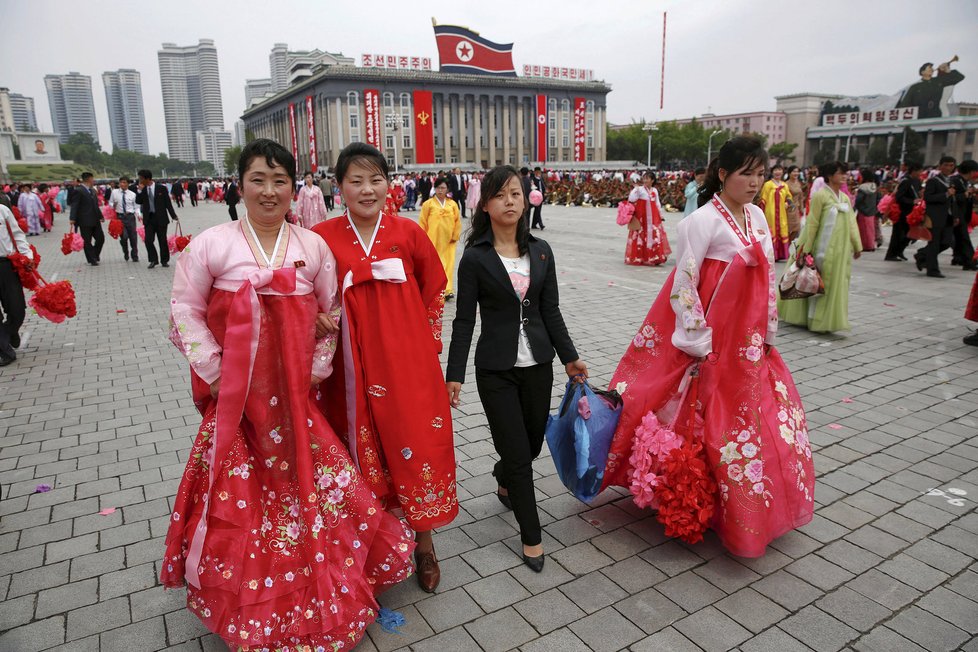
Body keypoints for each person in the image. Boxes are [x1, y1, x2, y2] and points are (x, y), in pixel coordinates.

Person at [163, 138, 415, 650]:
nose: (270, 191)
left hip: (295, 401)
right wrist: (216, 373)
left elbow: (330, 314)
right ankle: (248, 597)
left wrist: (315, 369)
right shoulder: (211, 245)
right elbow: (183, 311)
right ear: (240, 186)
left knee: (312, 485)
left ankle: (321, 582)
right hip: (237, 403)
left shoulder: (310, 247)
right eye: (258, 179)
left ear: (293, 187)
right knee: (243, 494)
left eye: (280, 180)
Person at [602, 136, 814, 558]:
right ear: (723, 174)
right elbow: (684, 284)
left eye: (760, 173)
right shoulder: (700, 221)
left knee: (752, 416)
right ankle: (697, 498)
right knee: (707, 416)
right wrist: (698, 340)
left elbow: (767, 278)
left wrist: (768, 331)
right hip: (714, 339)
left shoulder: (756, 216)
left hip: (749, 341)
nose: (755, 182)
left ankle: (747, 508)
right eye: (746, 173)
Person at [312, 143, 458, 594]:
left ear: (388, 185)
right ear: (339, 188)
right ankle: (368, 549)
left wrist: (428, 346)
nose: (366, 189)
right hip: (348, 370)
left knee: (415, 443)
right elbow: (306, 293)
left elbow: (434, 290)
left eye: (375, 179)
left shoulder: (408, 233)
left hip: (406, 363)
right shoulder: (321, 237)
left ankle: (425, 544)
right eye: (355, 180)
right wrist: (315, 317)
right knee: (356, 449)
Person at [446, 165, 588, 572]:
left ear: (525, 200)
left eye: (515, 193)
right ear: (485, 204)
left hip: (538, 365)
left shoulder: (541, 250)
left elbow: (550, 310)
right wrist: (454, 373)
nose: (509, 201)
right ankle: (532, 537)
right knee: (521, 458)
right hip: (495, 370)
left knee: (528, 445)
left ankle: (502, 472)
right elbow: (464, 321)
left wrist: (570, 356)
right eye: (500, 195)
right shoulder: (474, 258)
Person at [779, 161, 862, 332]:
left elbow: (852, 223)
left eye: (845, 173)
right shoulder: (821, 196)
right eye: (840, 173)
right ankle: (813, 319)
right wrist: (807, 248)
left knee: (832, 285)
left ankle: (825, 319)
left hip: (839, 250)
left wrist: (857, 245)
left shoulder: (845, 198)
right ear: (830, 175)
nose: (844, 176)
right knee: (817, 283)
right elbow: (812, 223)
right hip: (821, 249)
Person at [0, 203, 33, 367]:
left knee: (17, 309)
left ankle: (10, 330)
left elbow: (17, 235)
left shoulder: (2, 210)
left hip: (5, 265)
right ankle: (5, 351)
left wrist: (27, 256)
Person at [419, 176, 462, 300]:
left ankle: (448, 289)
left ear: (447, 189)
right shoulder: (428, 204)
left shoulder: (452, 204)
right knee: (435, 265)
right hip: (432, 239)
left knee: (448, 264)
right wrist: (423, 238)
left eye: (443, 188)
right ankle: (436, 289)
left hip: (448, 241)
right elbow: (422, 222)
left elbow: (457, 221)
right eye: (438, 188)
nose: (440, 190)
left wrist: (455, 235)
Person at [915, 156, 957, 278]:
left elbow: (952, 200)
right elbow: (928, 197)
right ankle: (932, 269)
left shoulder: (951, 181)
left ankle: (922, 255)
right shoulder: (933, 181)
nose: (949, 168)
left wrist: (955, 215)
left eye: (951, 165)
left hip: (948, 217)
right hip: (935, 217)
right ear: (940, 166)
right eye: (946, 165)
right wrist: (945, 194)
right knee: (934, 243)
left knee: (947, 242)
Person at [135, 169, 179, 269]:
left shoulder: (161, 188)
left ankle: (164, 260)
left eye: (141, 178)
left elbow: (168, 203)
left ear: (147, 178)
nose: (140, 180)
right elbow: (138, 201)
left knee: (162, 240)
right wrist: (139, 190)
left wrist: (174, 216)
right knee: (148, 240)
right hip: (149, 219)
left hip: (161, 218)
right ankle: (153, 260)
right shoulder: (143, 189)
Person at [625, 171, 671, 266]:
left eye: (647, 178)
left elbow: (657, 203)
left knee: (654, 235)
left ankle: (655, 256)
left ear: (652, 180)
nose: (645, 180)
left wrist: (660, 215)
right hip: (642, 217)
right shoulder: (640, 189)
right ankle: (639, 257)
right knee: (640, 235)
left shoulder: (654, 190)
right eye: (644, 178)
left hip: (653, 217)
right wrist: (635, 190)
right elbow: (631, 199)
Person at [884, 161, 923, 262]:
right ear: (913, 171)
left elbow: (918, 193)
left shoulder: (917, 181)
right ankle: (891, 254)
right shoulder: (905, 181)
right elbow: (899, 197)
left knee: (911, 234)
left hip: (913, 212)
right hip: (902, 212)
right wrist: (912, 201)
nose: (920, 174)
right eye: (919, 171)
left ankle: (899, 251)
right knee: (898, 234)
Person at [69, 172, 105, 266]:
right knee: (87, 241)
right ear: (89, 179)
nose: (94, 181)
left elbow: (95, 205)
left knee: (100, 238)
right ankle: (92, 259)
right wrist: (72, 218)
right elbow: (74, 205)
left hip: (95, 219)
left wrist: (101, 216)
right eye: (93, 179)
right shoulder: (79, 190)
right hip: (84, 220)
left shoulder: (92, 190)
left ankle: (94, 254)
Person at [759, 165, 793, 261]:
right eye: (776, 170)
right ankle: (772, 254)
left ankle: (781, 254)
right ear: (772, 172)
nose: (778, 172)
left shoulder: (785, 185)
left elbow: (789, 197)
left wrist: (788, 203)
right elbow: (763, 199)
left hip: (782, 213)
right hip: (771, 213)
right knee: (771, 231)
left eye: (780, 170)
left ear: (782, 172)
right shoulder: (768, 185)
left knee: (782, 230)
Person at [951, 160, 978, 271]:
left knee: (958, 238)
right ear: (971, 171)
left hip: (962, 214)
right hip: (956, 214)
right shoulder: (955, 181)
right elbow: (952, 198)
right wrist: (965, 194)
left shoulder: (965, 181)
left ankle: (959, 258)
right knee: (963, 238)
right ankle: (970, 261)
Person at [109, 176, 139, 262]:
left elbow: (136, 207)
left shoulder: (132, 194)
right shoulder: (114, 192)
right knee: (124, 237)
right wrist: (113, 205)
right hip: (120, 217)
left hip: (130, 217)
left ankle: (135, 255)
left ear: (128, 184)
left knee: (133, 237)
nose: (122, 184)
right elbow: (110, 202)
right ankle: (125, 251)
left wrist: (139, 215)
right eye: (121, 182)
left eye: (124, 182)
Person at [854, 167, 881, 252]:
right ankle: (871, 244)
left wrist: (857, 207)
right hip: (872, 211)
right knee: (870, 229)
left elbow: (858, 200)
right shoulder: (874, 187)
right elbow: (879, 198)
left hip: (863, 211)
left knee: (863, 230)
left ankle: (866, 246)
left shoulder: (862, 188)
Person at [785, 166, 804, 240]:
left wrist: (801, 208)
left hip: (796, 210)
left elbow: (801, 197)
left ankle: (789, 244)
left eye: (797, 171)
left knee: (797, 229)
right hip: (788, 210)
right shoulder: (786, 184)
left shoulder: (799, 183)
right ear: (789, 173)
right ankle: (786, 246)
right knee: (787, 229)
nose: (796, 173)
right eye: (794, 171)